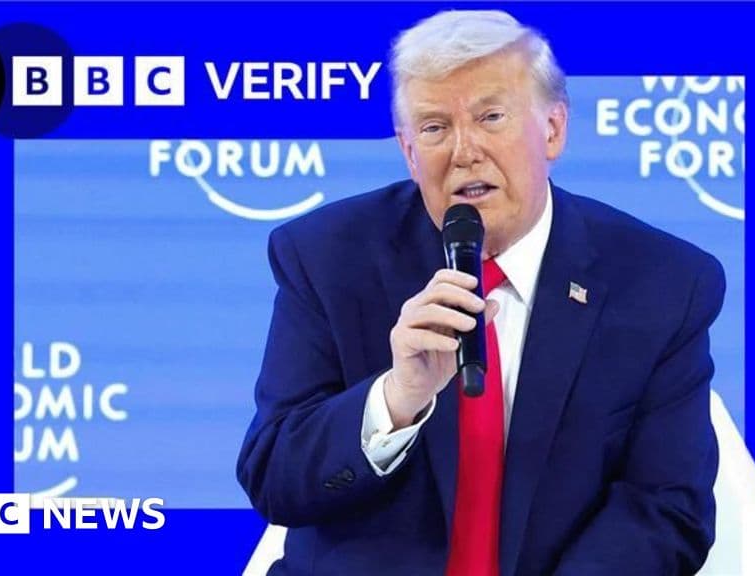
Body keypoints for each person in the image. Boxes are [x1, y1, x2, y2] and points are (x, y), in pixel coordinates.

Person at [237, 9, 724, 575]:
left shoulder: (661, 281)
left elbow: (665, 508)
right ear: (407, 150)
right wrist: (397, 399)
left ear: (553, 129)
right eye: (434, 127)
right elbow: (275, 478)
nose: (464, 151)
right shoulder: (327, 256)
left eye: (491, 117)